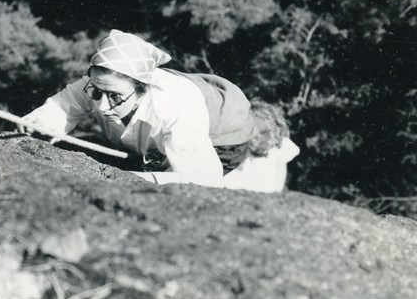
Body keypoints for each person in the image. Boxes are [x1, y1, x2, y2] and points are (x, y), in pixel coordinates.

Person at [19, 29, 299, 191]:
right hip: (170, 126)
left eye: (115, 96)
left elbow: (201, 180)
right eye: (96, 92)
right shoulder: (98, 85)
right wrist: (39, 123)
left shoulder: (174, 109)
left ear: (143, 88)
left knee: (162, 177)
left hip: (224, 134)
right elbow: (62, 107)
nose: (102, 107)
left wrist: (125, 179)